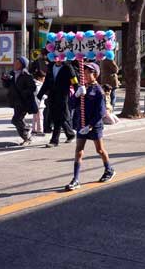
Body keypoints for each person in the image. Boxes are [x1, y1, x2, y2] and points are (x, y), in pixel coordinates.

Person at [65, 62, 115, 191]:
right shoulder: (82, 88)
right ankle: (75, 179)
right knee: (79, 151)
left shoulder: (98, 91)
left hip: (94, 125)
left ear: (96, 74)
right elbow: (71, 105)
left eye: (89, 72)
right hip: (81, 124)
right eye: (85, 72)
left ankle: (109, 169)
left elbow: (101, 112)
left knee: (99, 150)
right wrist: (76, 95)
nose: (86, 75)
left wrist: (91, 125)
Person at [37, 60, 79, 148]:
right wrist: (39, 95)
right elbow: (46, 83)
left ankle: (54, 140)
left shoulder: (68, 67)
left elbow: (74, 80)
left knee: (58, 118)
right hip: (52, 95)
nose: (57, 59)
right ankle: (70, 134)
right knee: (59, 117)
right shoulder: (51, 66)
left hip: (63, 96)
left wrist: (78, 92)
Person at [2, 56, 37, 146]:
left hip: (24, 102)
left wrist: (24, 93)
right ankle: (27, 135)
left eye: (18, 63)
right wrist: (4, 80)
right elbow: (7, 86)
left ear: (22, 65)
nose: (15, 64)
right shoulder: (12, 73)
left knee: (16, 119)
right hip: (15, 100)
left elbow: (32, 88)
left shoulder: (26, 75)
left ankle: (27, 132)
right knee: (18, 119)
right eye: (15, 62)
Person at [32, 70, 47, 136]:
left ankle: (34, 129)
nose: (44, 80)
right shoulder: (38, 85)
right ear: (39, 78)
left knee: (35, 118)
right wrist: (46, 96)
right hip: (39, 104)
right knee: (40, 118)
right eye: (43, 78)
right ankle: (40, 130)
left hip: (35, 104)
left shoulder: (34, 84)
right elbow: (39, 94)